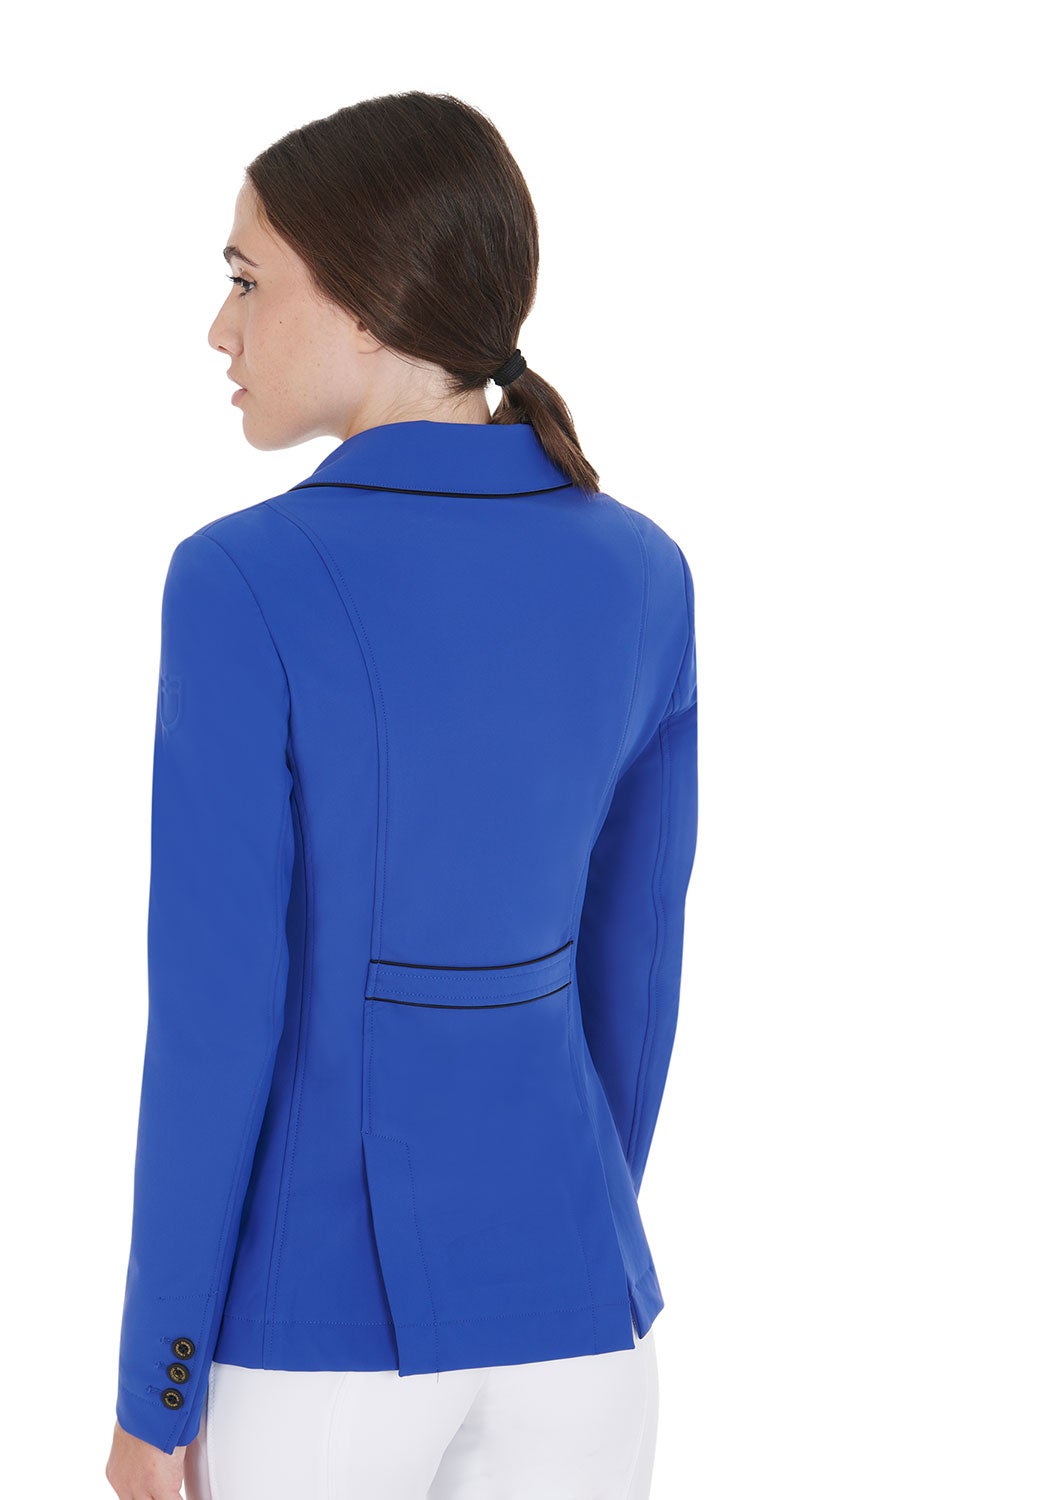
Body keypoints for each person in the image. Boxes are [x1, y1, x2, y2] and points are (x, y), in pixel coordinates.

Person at [105, 91, 698, 1500]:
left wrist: (157, 1383)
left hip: (315, 1357)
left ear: (367, 302)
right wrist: (555, 1238)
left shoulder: (242, 581)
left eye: (248, 280)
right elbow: (637, 976)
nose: (220, 329)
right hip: (583, 1329)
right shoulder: (644, 571)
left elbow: (214, 1021)